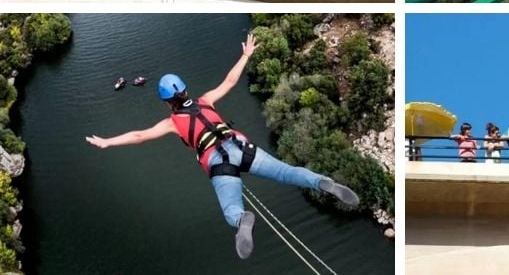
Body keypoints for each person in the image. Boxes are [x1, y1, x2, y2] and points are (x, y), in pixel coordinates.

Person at [85, 34, 359, 260]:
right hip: (241, 145)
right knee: (287, 172)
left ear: (167, 101)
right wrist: (246, 55)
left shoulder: (171, 122)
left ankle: (243, 221)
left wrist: (108, 142)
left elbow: (139, 136)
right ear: (185, 91)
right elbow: (229, 81)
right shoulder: (206, 100)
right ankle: (323, 182)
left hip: (219, 162)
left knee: (231, 210)